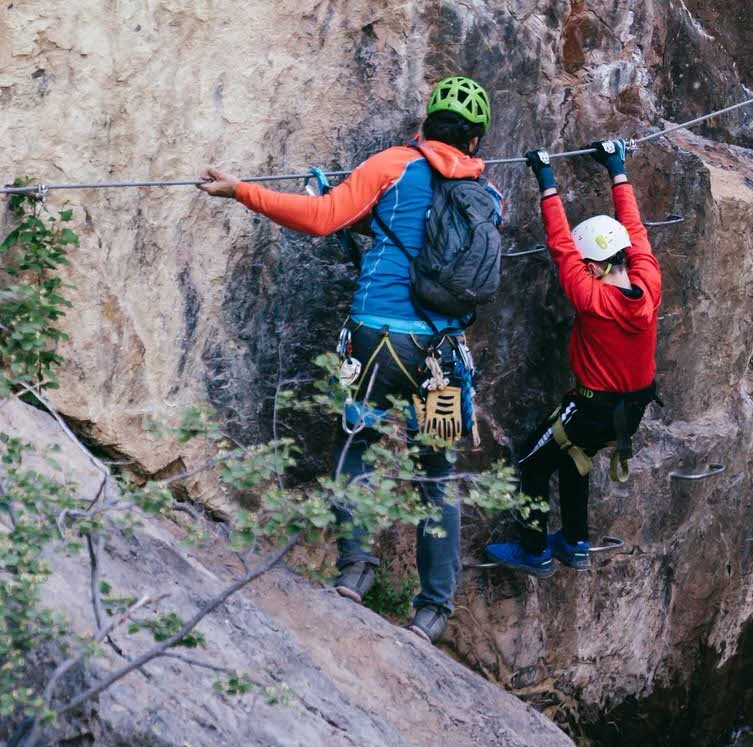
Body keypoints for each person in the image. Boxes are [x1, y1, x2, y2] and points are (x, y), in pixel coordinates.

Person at [199, 76, 500, 644]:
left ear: (425, 124)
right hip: (438, 356)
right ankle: (433, 609)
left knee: (357, 444)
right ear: (475, 140)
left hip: (376, 345)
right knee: (436, 472)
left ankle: (356, 569)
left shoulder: (391, 165)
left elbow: (321, 218)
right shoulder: (488, 196)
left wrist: (241, 189)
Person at [484, 139, 662, 574]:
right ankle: (575, 542)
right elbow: (634, 230)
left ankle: (534, 551)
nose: (582, 267)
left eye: (588, 264)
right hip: (632, 408)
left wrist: (546, 180)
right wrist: (616, 168)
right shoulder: (650, 282)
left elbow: (562, 245)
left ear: (597, 267)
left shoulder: (589, 296)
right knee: (576, 458)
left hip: (591, 406)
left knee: (531, 462)